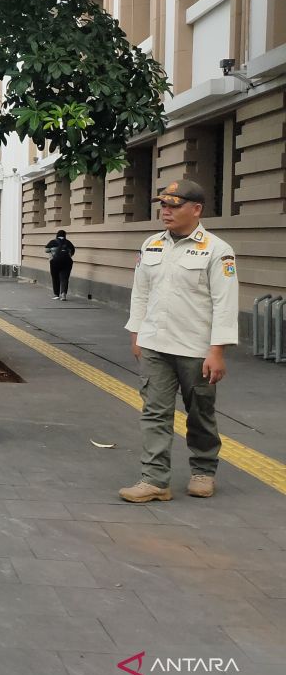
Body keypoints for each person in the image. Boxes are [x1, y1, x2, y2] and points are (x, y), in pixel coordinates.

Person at [119, 179, 238, 503]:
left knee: (200, 412)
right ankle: (154, 480)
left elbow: (224, 304)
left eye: (174, 205)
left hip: (196, 349)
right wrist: (137, 334)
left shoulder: (217, 250)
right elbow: (141, 292)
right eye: (163, 205)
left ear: (196, 209)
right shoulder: (152, 245)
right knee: (154, 413)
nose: (166, 211)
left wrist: (217, 352)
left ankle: (203, 470)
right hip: (155, 344)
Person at [45, 229, 75, 300]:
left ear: (57, 235)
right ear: (65, 235)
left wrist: (52, 252)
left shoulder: (53, 242)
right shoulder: (68, 242)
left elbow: (46, 250)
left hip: (55, 262)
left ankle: (56, 294)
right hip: (67, 262)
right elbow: (73, 251)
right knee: (65, 278)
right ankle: (63, 293)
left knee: (55, 277)